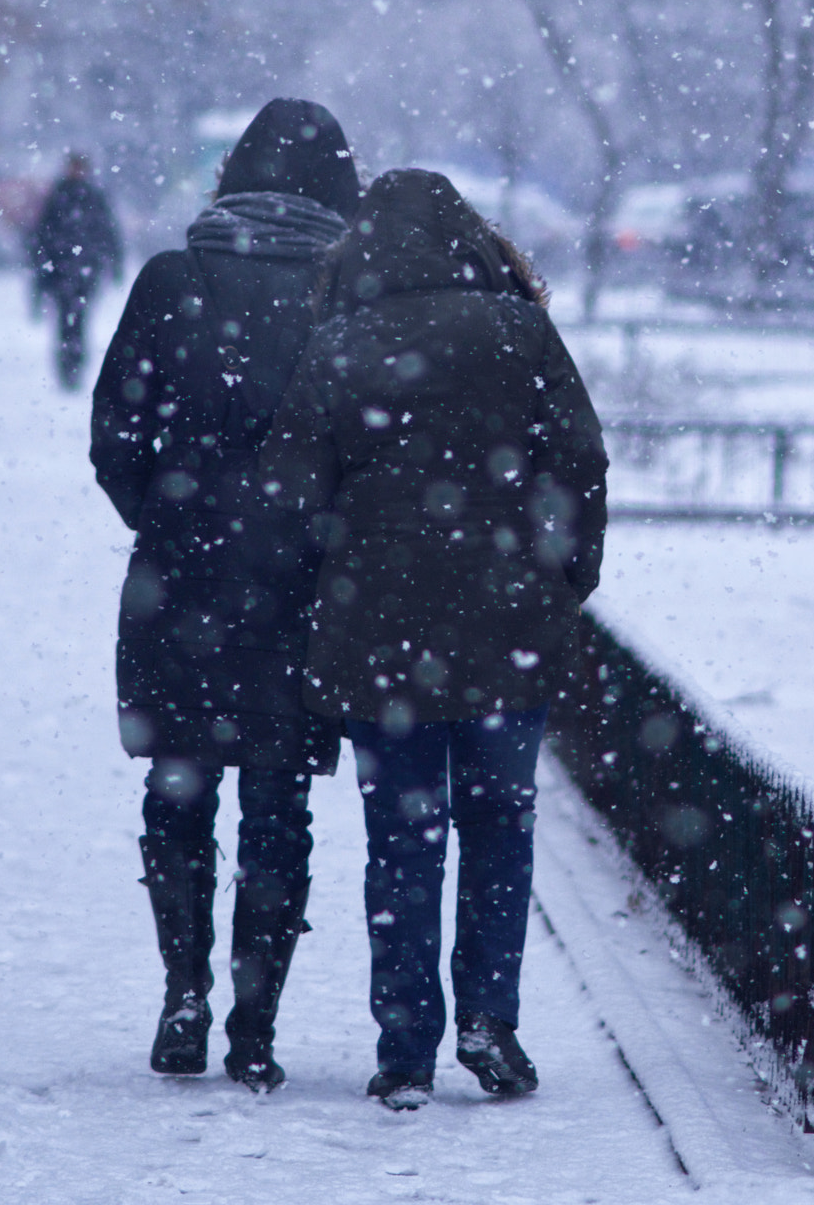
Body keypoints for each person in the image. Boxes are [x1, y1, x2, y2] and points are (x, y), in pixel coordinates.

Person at [261, 169, 608, 1110]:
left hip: (379, 637)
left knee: (402, 840)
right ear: (471, 239)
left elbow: (291, 493)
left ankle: (405, 1045)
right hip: (507, 624)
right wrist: (564, 580)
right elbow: (577, 458)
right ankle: (490, 1019)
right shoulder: (518, 331)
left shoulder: (337, 343)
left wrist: (331, 578)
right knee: (499, 823)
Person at [90, 99, 361, 1090]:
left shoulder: (173, 278)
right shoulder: (348, 290)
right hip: (302, 585)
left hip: (183, 578)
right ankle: (255, 1021)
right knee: (279, 805)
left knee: (179, 790)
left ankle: (182, 991)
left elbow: (115, 431)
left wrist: (165, 515)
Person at [30, 155, 123, 388]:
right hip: (65, 270)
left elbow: (108, 231)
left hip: (84, 270)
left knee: (76, 319)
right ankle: (69, 366)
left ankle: (73, 365)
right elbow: (42, 235)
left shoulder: (91, 196)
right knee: (68, 319)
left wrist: (113, 262)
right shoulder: (60, 196)